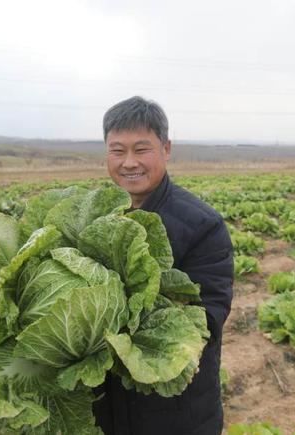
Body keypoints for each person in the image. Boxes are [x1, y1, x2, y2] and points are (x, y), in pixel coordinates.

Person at [93, 95, 234, 435]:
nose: (129, 162)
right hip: (102, 407)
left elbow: (208, 317)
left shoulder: (203, 226)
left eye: (141, 150)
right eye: (117, 150)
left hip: (173, 410)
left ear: (166, 149)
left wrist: (119, 334)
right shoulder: (93, 215)